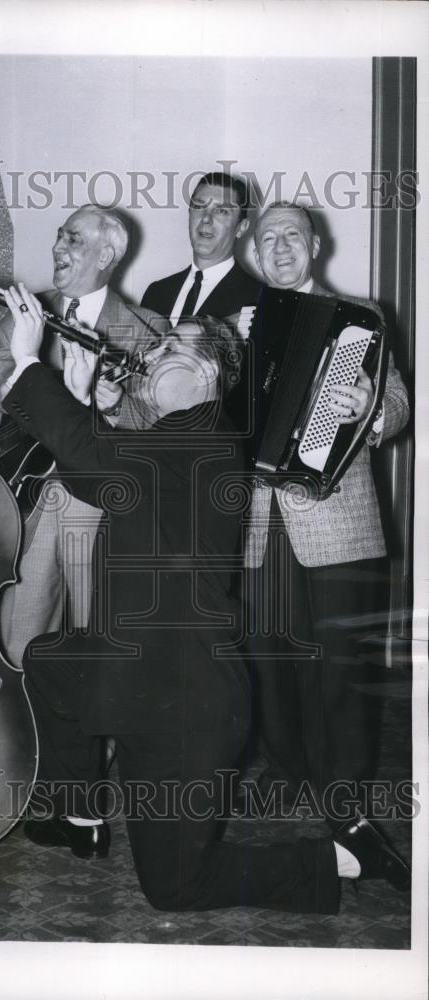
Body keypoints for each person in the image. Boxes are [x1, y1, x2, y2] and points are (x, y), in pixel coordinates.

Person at [0, 281, 410, 913]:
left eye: (170, 348)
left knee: (176, 888)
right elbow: (92, 470)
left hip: (184, 703)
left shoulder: (204, 440)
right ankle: (78, 811)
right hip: (141, 673)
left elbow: (99, 457)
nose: (154, 354)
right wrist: (77, 397)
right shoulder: (172, 442)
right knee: (52, 659)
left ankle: (336, 859)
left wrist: (30, 361)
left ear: (209, 370)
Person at [238, 202, 410, 850]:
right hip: (257, 519)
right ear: (254, 252)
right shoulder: (240, 325)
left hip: (336, 515)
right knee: (269, 658)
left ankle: (345, 800)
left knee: (340, 666)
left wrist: (370, 405)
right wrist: (230, 352)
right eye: (267, 238)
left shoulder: (358, 322)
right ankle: (286, 769)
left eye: (291, 235)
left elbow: (395, 402)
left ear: (316, 244)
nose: (279, 247)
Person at [0, 205, 168, 668]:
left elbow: (160, 431)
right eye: (58, 236)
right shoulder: (29, 312)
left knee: (103, 651)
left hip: (104, 516)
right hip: (26, 506)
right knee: (20, 647)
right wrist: (10, 398)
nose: (57, 247)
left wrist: (110, 405)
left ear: (107, 253)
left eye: (72, 239)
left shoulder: (148, 331)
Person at [141, 171, 261, 324]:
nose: (206, 218)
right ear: (189, 214)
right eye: (199, 206)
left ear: (241, 227)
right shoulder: (157, 292)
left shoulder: (257, 299)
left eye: (221, 211)